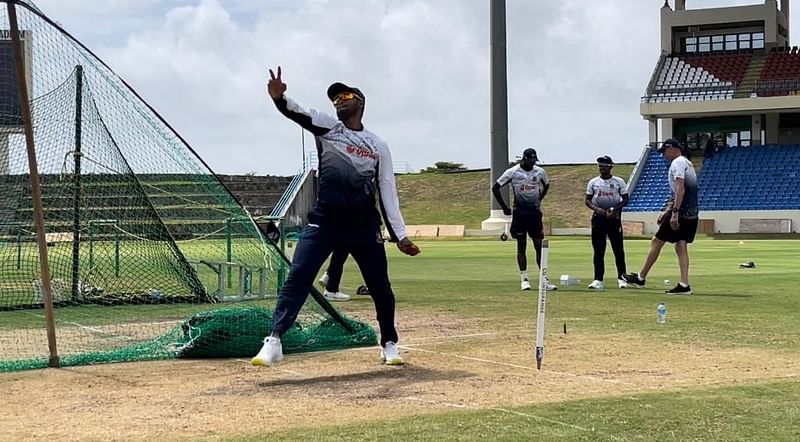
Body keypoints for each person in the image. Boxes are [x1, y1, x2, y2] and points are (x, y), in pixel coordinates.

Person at [252, 67, 420, 367]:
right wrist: (280, 99)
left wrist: (400, 235)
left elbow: (387, 189)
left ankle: (389, 343)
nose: (339, 102)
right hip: (325, 221)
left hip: (363, 225)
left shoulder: (378, 145)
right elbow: (300, 112)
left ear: (360, 103)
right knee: (298, 277)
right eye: (335, 99)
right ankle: (275, 339)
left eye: (345, 96)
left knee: (380, 286)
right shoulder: (330, 129)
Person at [622, 138, 698, 295]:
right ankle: (684, 284)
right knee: (681, 245)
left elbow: (680, 189)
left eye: (664, 151)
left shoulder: (677, 163)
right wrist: (668, 209)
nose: (663, 155)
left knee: (657, 241)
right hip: (691, 211)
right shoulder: (687, 163)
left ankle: (641, 277)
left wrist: (674, 212)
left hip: (681, 211)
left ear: (671, 148)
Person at [492, 148, 557, 291]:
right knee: (521, 246)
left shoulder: (539, 172)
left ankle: (544, 279)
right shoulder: (513, 172)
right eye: (529, 161)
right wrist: (504, 206)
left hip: (534, 213)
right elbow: (495, 187)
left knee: (539, 245)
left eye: (534, 161)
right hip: (520, 213)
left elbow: (546, 185)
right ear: (523, 159)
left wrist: (539, 199)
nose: (531, 164)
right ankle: (524, 279)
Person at [585, 155, 630, 290]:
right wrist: (597, 209)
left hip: (614, 218)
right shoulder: (593, 182)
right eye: (600, 166)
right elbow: (587, 200)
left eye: (604, 166)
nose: (601, 169)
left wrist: (615, 210)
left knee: (618, 250)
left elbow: (625, 199)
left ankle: (622, 277)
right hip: (599, 218)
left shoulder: (618, 182)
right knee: (598, 250)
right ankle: (598, 279)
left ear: (610, 167)